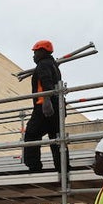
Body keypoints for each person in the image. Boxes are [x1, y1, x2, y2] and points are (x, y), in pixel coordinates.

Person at [22, 40, 64, 174]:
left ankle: (34, 167)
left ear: (42, 52)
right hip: (57, 107)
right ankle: (63, 167)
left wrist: (46, 101)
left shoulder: (43, 65)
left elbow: (47, 83)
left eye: (35, 52)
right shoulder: (54, 65)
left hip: (44, 107)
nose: (33, 56)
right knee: (57, 139)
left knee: (31, 134)